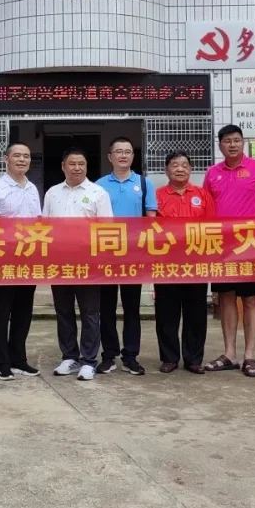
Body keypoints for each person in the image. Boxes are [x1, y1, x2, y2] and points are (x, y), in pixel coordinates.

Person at [203, 125, 255, 378]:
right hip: (221, 246)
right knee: (225, 298)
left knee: (250, 299)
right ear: (220, 145)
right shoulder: (213, 172)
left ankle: (249, 355)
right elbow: (207, 207)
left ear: (243, 143)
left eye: (236, 140)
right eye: (227, 141)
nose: (232, 145)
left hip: (250, 244)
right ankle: (229, 354)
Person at [43, 148, 113, 381]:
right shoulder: (52, 193)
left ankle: (89, 360)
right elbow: (44, 228)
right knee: (63, 311)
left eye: (81, 164)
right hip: (59, 263)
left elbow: (107, 229)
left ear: (86, 166)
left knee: (90, 313)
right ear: (63, 166)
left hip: (88, 264)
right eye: (72, 164)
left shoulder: (98, 193)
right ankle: (69, 357)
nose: (77, 168)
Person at [95, 137, 156, 376]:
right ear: (110, 156)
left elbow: (151, 218)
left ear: (133, 156)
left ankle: (131, 356)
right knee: (106, 307)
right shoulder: (99, 185)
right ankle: (109, 355)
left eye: (128, 152)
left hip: (133, 255)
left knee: (132, 308)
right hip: (107, 255)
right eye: (118, 151)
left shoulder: (144, 183)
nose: (123, 155)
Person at [0, 142, 42, 381]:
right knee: (2, 312)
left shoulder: (33, 188)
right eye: (17, 155)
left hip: (29, 259)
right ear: (6, 159)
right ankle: (2, 362)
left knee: (23, 311)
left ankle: (19, 359)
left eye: (26, 156)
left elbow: (38, 224)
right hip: (5, 260)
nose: (22, 160)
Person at [154, 151, 215, 375]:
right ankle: (169, 358)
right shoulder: (157, 196)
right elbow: (149, 229)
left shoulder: (203, 195)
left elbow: (213, 227)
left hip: (196, 264)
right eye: (174, 165)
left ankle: (193, 359)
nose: (180, 169)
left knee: (196, 313)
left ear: (191, 169)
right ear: (166, 170)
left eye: (184, 165)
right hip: (166, 264)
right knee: (166, 313)